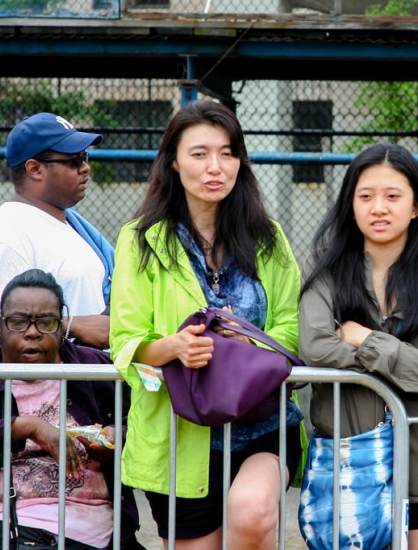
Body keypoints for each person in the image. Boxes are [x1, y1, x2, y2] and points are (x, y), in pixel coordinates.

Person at [109, 100, 303, 550]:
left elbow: (292, 328)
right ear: (174, 162)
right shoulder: (141, 241)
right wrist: (174, 347)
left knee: (253, 513)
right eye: (199, 154)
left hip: (263, 422)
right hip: (179, 433)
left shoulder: (268, 238)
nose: (215, 167)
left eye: (227, 152)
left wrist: (253, 343)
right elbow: (127, 339)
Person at [299, 143, 418, 549]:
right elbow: (317, 349)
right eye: (366, 196)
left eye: (393, 196)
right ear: (351, 204)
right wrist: (415, 359)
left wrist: (363, 338)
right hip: (347, 462)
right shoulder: (322, 268)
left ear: (415, 206)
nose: (379, 207)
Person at [0, 269, 141, 550]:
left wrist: (119, 437)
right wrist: (26, 426)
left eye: (46, 322)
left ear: (60, 326)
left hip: (87, 531)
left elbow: (147, 422)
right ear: (0, 328)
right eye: (18, 322)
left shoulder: (99, 372)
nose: (32, 332)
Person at [0, 112, 113, 356]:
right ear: (34, 168)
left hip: (77, 389)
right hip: (32, 392)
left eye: (84, 157)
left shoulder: (69, 226)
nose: (85, 167)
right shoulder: (7, 233)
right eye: (74, 160)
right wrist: (69, 325)